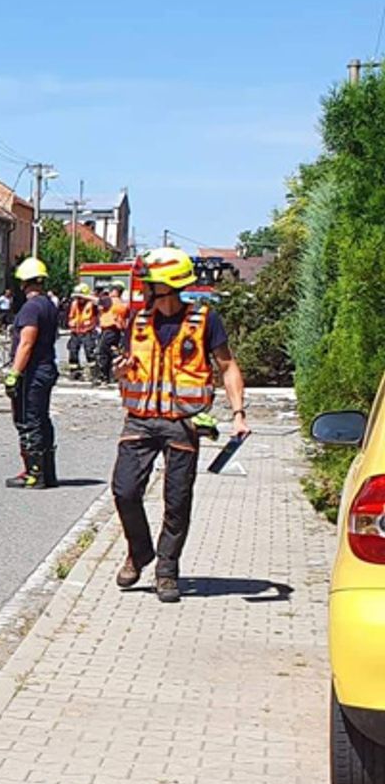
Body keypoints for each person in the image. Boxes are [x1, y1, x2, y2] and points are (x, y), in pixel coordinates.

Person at [111, 247, 251, 602]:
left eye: (151, 284)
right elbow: (126, 366)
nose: (144, 290)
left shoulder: (205, 321)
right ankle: (139, 551)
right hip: (140, 420)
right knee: (125, 491)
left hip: (183, 424)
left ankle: (167, 570)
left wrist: (238, 414)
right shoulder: (137, 320)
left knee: (177, 500)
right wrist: (120, 371)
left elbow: (228, 367)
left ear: (169, 286)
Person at [3, 256, 61, 488]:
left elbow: (26, 342)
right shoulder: (48, 304)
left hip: (33, 372)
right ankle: (47, 472)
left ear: (23, 283)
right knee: (42, 419)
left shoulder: (30, 308)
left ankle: (33, 473)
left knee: (28, 421)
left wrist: (14, 373)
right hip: (46, 368)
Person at [94, 282, 129, 384]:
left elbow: (97, 301)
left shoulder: (109, 300)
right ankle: (114, 375)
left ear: (115, 291)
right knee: (113, 352)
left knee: (102, 352)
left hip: (108, 330)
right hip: (117, 332)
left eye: (111, 290)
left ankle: (103, 376)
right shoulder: (122, 304)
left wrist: (79, 295)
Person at [65, 282, 98, 380]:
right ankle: (75, 373)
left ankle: (95, 373)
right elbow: (70, 316)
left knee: (90, 353)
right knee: (72, 351)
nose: (78, 299)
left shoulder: (92, 304)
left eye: (80, 296)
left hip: (88, 332)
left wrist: (89, 297)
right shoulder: (74, 304)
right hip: (75, 332)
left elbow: (99, 303)